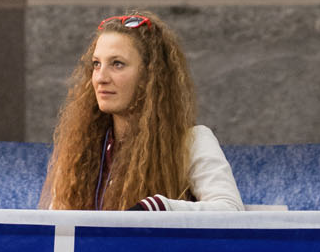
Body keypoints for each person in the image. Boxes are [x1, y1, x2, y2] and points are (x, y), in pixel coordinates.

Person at [39, 12, 243, 212]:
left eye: (117, 64)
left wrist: (160, 208)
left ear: (150, 75)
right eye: (96, 64)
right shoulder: (81, 148)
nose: (100, 78)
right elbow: (56, 223)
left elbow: (230, 210)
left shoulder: (192, 141)